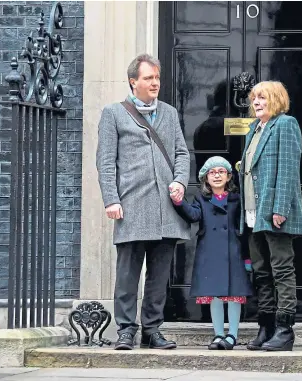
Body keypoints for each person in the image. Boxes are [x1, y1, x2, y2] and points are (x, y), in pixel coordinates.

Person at [96, 53, 191, 350]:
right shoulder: (113, 113)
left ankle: (152, 330)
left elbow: (181, 154)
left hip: (166, 208)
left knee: (159, 276)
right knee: (127, 274)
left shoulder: (169, 113)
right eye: (148, 78)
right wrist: (111, 199)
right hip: (131, 206)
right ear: (133, 81)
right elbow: (105, 161)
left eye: (157, 78)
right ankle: (126, 329)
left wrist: (179, 181)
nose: (155, 83)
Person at [239, 81, 302, 352]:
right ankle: (265, 327)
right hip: (253, 212)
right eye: (254, 98)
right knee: (260, 271)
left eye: (262, 98)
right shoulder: (254, 129)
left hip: (274, 210)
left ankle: (284, 330)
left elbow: (289, 169)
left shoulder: (285, 124)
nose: (256, 103)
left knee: (282, 269)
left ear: (276, 99)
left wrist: (281, 208)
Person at [170, 156, 253, 350]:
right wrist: (179, 202)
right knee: (215, 294)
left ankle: (232, 334)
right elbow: (194, 215)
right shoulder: (201, 198)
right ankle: (218, 334)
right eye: (212, 173)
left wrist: (247, 257)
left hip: (233, 251)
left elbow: (244, 228)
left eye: (221, 172)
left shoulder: (236, 198)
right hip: (210, 251)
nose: (217, 176)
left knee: (234, 294)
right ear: (206, 178)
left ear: (229, 176)